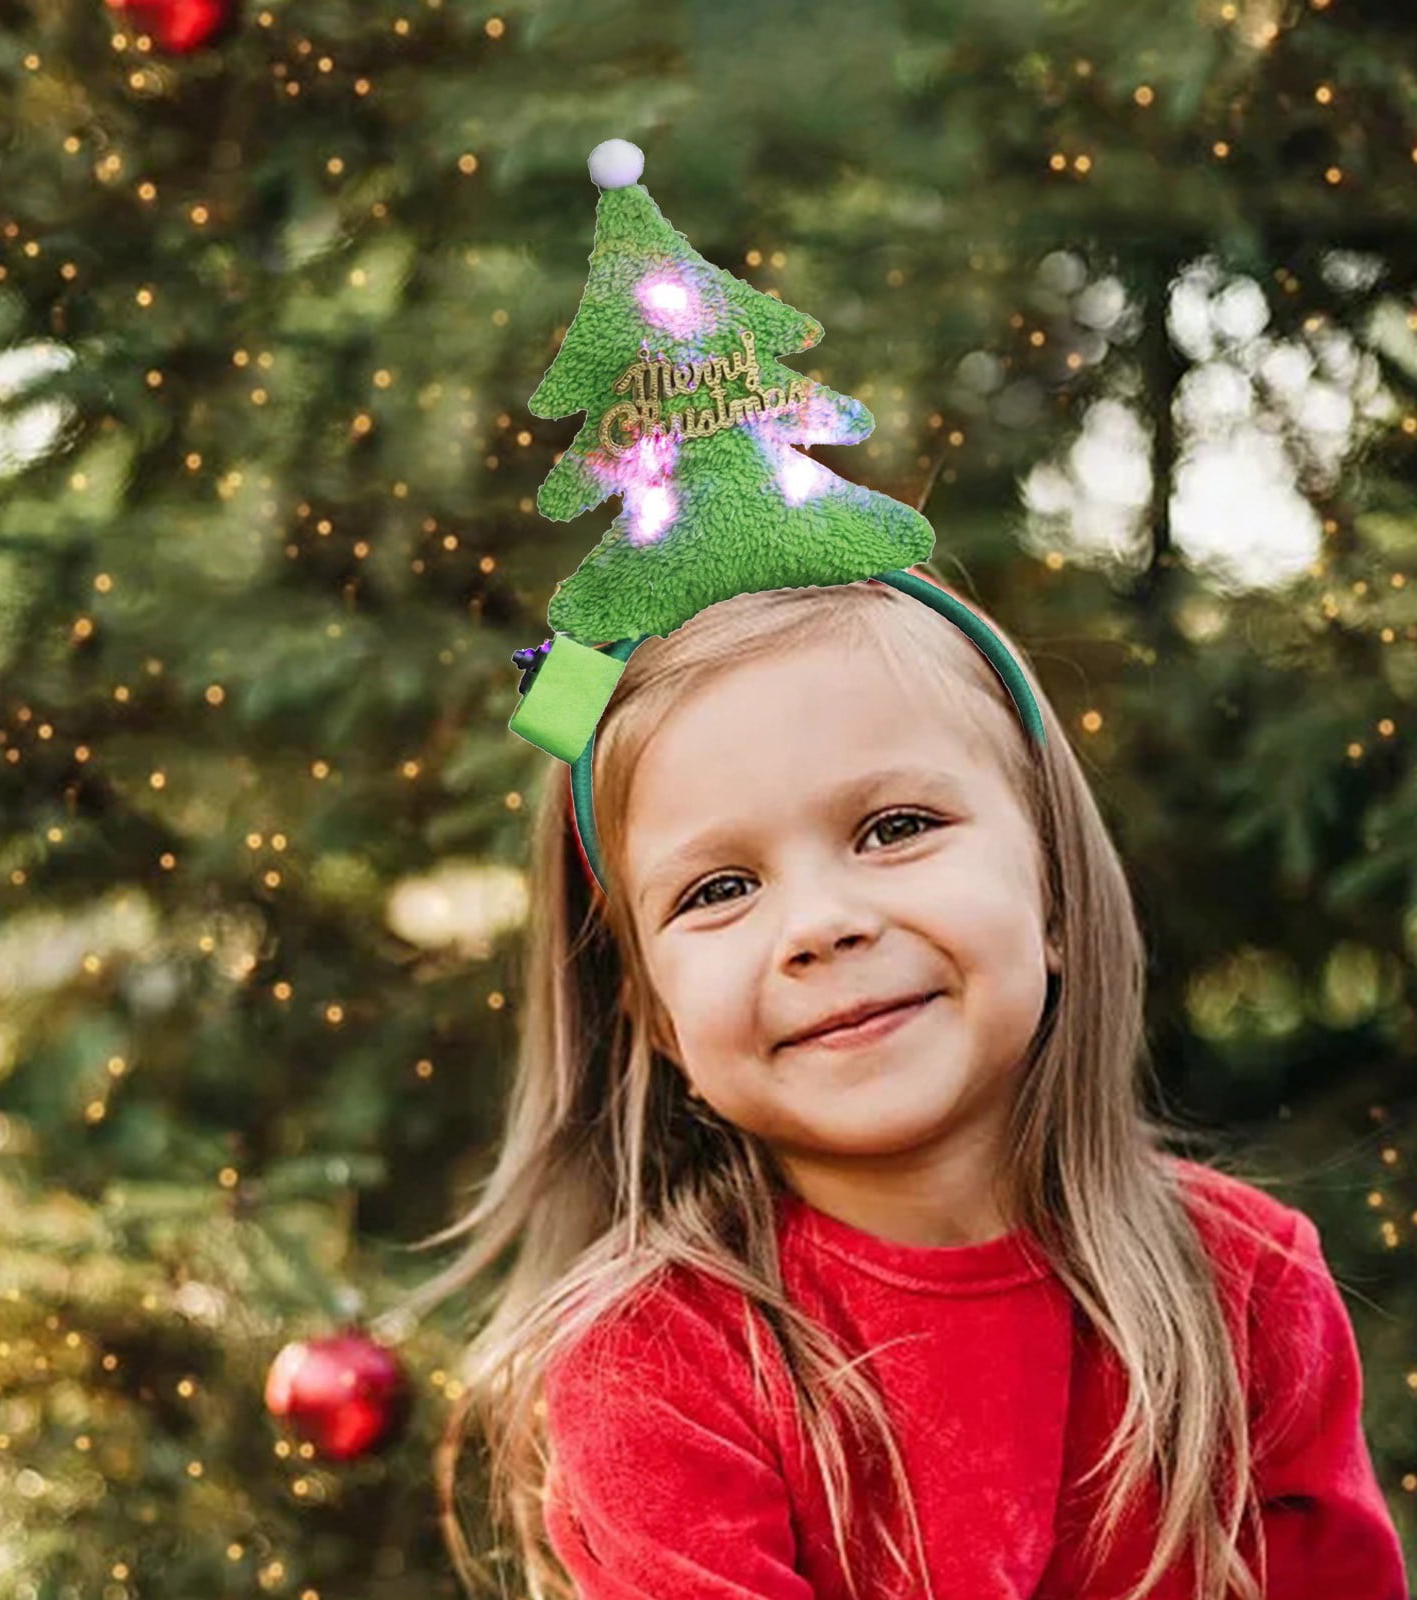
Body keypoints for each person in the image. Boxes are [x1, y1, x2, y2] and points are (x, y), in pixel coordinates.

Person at [382, 574, 1410, 1600]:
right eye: (720, 888)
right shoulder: (655, 1361)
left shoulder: (1245, 1284)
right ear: (655, 1015)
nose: (821, 925)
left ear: (1052, 889)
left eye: (895, 827)